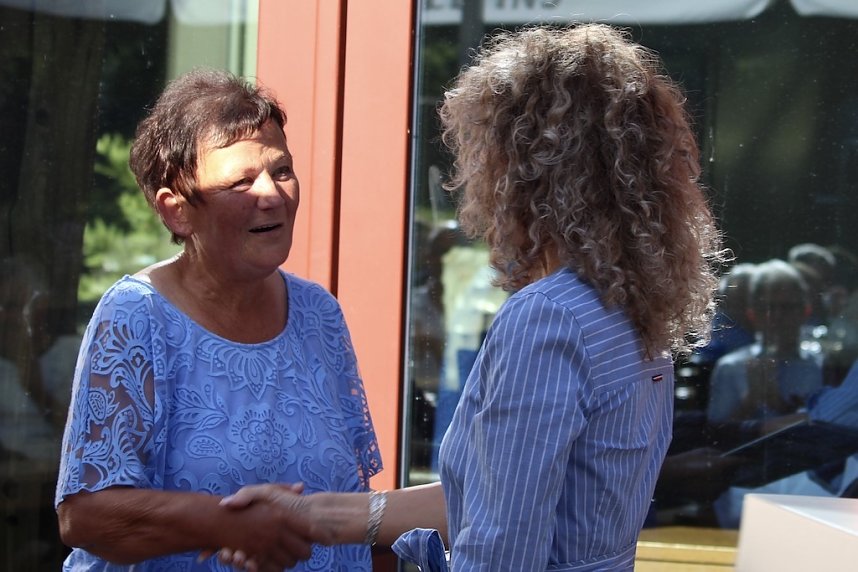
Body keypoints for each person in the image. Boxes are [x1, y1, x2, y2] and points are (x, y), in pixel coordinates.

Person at [219, 23, 726, 571]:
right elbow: (494, 494)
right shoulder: (623, 306)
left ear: (522, 169)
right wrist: (309, 514)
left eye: (481, 151)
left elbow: (501, 546)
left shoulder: (550, 317)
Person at [54, 68, 384, 570]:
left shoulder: (319, 313)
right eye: (240, 181)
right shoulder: (137, 316)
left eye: (282, 170)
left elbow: (358, 502)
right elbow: (86, 516)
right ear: (177, 211)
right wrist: (224, 523)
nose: (271, 193)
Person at [707, 259, 823, 423]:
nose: (777, 317)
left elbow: (830, 424)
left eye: (787, 307)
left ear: (806, 311)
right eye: (768, 308)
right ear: (752, 314)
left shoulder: (820, 365)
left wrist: (780, 405)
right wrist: (751, 401)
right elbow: (715, 432)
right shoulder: (730, 367)